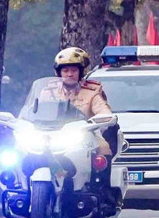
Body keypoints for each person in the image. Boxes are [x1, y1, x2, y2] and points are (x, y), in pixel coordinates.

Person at [50, 47, 119, 203]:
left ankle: (102, 190)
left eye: (73, 70)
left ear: (81, 72)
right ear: (58, 73)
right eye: (65, 70)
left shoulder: (92, 91)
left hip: (85, 134)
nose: (69, 74)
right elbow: (32, 111)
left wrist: (104, 118)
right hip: (51, 134)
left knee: (103, 147)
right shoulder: (49, 91)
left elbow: (104, 112)